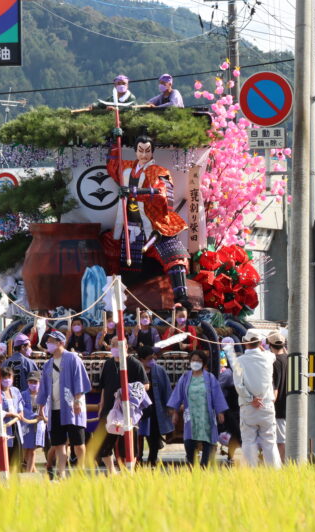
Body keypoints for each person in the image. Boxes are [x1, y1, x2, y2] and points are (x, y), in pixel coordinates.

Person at [105, 136, 192, 308]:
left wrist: (135, 192)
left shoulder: (159, 171)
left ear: (152, 152)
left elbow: (161, 194)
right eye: (140, 150)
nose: (143, 154)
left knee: (175, 256)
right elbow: (113, 165)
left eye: (147, 151)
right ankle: (109, 302)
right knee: (109, 251)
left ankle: (181, 299)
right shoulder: (127, 167)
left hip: (153, 227)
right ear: (136, 150)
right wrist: (114, 142)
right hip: (128, 226)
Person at [35, 329, 91, 479]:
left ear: (60, 343)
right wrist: (41, 407)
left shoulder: (73, 358)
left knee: (78, 442)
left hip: (72, 406)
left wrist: (78, 400)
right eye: (48, 342)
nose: (48, 344)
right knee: (59, 443)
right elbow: (44, 388)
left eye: (51, 341)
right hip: (54, 407)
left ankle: (81, 469)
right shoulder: (48, 364)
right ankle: (61, 472)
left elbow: (80, 380)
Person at [94, 336, 148, 470]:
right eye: (112, 344)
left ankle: (129, 471)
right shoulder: (108, 364)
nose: (114, 347)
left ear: (125, 346)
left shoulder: (134, 364)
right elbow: (104, 387)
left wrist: (130, 389)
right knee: (103, 444)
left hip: (127, 410)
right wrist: (101, 406)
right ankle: (111, 471)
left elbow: (146, 385)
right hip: (109, 409)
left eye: (117, 345)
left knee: (128, 443)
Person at [168, 349, 228, 468]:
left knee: (208, 440)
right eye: (193, 360)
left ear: (203, 363)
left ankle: (204, 465)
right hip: (191, 414)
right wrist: (175, 412)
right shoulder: (185, 377)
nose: (195, 363)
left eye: (199, 361)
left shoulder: (210, 378)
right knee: (189, 441)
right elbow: (177, 395)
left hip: (206, 414)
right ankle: (191, 464)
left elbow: (217, 396)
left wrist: (220, 412)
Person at [232, 329, 281, 468]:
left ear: (245, 343)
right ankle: (275, 472)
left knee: (248, 441)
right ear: (260, 343)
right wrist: (260, 346)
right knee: (270, 441)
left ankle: (250, 472)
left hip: (248, 406)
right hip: (266, 405)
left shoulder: (239, 361)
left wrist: (250, 398)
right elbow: (271, 354)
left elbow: (238, 385)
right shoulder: (268, 357)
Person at [138, 346, 174, 467]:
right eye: (149, 359)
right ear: (141, 360)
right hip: (139, 410)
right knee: (138, 435)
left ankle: (152, 459)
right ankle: (137, 459)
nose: (152, 361)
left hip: (155, 410)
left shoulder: (159, 370)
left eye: (153, 358)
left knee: (153, 435)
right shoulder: (136, 370)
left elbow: (167, 388)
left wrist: (169, 406)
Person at [21, 370, 47, 472]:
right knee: (26, 450)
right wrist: (33, 415)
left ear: (39, 382)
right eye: (30, 382)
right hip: (26, 425)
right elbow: (21, 408)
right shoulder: (23, 394)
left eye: (35, 382)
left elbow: (46, 409)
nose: (32, 384)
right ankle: (34, 471)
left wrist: (44, 417)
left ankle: (28, 473)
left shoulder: (43, 395)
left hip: (38, 424)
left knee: (32, 450)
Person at [268, 331, 288, 460]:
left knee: (280, 441)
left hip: (278, 407)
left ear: (269, 345)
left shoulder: (273, 362)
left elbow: (274, 388)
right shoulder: (290, 359)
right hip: (290, 406)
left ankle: (281, 467)